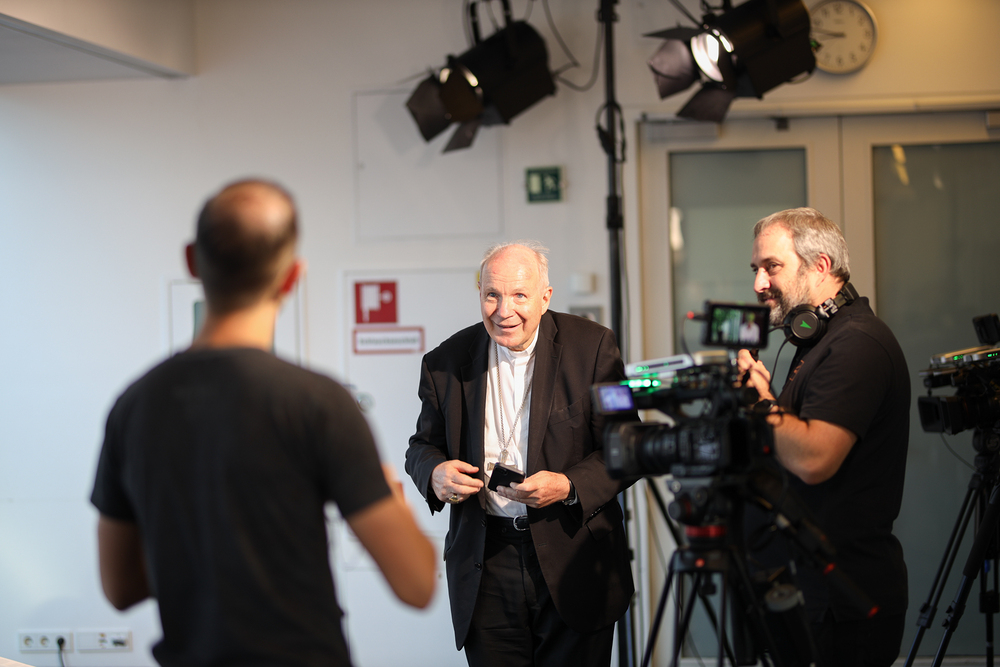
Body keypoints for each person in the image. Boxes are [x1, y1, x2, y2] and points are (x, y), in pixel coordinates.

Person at [91, 179, 435, 667]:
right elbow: (417, 585)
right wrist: (391, 498)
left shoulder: (134, 406)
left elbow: (119, 587)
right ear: (292, 276)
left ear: (192, 261)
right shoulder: (320, 404)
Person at [405, 241, 634, 667]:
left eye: (519, 295)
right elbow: (421, 446)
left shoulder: (592, 348)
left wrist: (568, 485)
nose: (503, 310)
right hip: (486, 562)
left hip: (573, 555)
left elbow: (627, 445)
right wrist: (434, 473)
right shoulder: (444, 361)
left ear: (545, 298)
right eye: (491, 295)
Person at [736, 207, 909, 667]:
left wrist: (760, 402)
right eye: (755, 269)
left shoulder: (856, 344)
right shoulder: (817, 341)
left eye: (772, 267)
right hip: (808, 593)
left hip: (841, 603)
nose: (759, 283)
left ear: (821, 265)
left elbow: (814, 459)